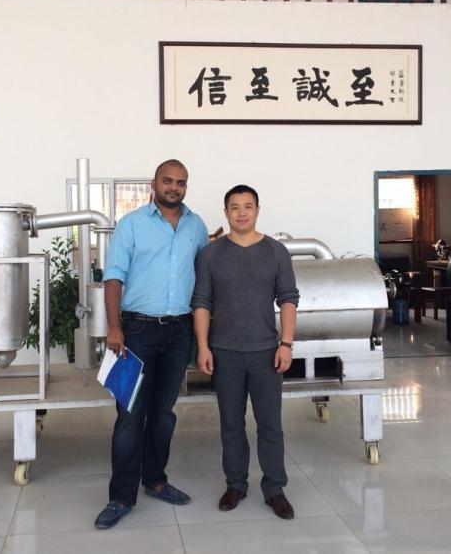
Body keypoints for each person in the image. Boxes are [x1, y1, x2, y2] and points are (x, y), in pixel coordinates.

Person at [94, 159, 209, 530]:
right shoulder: (131, 225)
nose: (174, 187)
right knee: (130, 416)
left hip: (179, 332)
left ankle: (156, 480)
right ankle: (120, 497)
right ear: (154, 183)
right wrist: (114, 328)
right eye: (167, 181)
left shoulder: (196, 226)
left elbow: (204, 279)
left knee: (163, 413)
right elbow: (113, 278)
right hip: (136, 332)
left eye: (181, 182)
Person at [191, 184, 299, 520]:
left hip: (266, 352)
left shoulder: (276, 252)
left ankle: (274, 488)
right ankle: (235, 484)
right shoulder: (210, 255)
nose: (241, 213)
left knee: (270, 424)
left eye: (247, 206)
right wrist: (203, 346)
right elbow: (202, 302)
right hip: (225, 353)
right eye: (234, 207)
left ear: (257, 210)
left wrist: (286, 343)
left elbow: (288, 299)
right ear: (226, 212)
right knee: (231, 424)